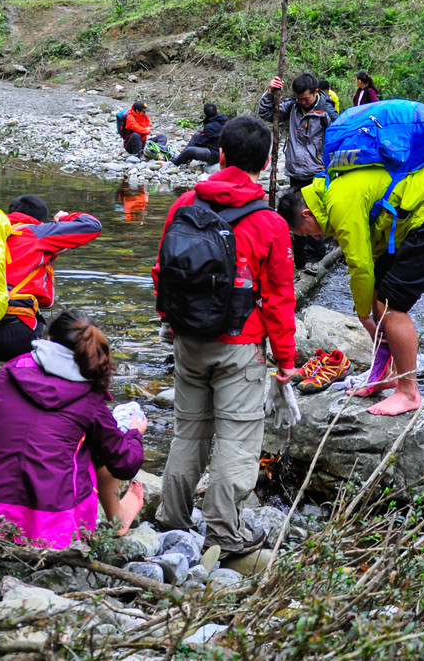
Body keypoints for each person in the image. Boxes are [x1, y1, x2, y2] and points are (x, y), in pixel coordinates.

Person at [152, 116, 297, 559]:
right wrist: (286, 362)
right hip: (239, 345)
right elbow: (278, 299)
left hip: (187, 339)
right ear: (269, 160)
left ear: (220, 154)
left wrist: (168, 319)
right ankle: (224, 532)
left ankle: (171, 518)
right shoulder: (270, 223)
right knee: (237, 439)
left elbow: (163, 270)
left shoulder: (185, 204)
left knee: (188, 432)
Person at [277, 164, 424, 416]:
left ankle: (408, 393)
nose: (314, 238)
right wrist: (370, 305)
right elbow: (371, 258)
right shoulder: (331, 192)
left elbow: (359, 265)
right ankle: (387, 374)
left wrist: (364, 316)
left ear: (307, 213)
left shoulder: (339, 203)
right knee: (380, 294)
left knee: (392, 306)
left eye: (307, 233)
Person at [0, 310, 147, 548]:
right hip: (50, 526)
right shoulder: (90, 398)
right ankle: (117, 517)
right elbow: (125, 464)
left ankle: (116, 515)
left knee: (75, 436)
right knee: (98, 442)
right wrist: (134, 432)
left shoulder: (11, 369)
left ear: (47, 339)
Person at [0, 194, 101, 427]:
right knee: (57, 341)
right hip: (17, 338)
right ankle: (47, 409)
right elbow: (92, 225)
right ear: (40, 220)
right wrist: (65, 219)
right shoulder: (38, 232)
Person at [256, 72, 336, 274]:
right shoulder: (292, 107)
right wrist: (270, 93)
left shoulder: (326, 111)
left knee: (313, 218)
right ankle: (300, 262)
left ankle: (316, 261)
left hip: (317, 174)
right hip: (295, 172)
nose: (303, 102)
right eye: (300, 98)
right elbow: (267, 113)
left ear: (315, 92)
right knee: (295, 218)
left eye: (306, 98)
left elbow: (338, 137)